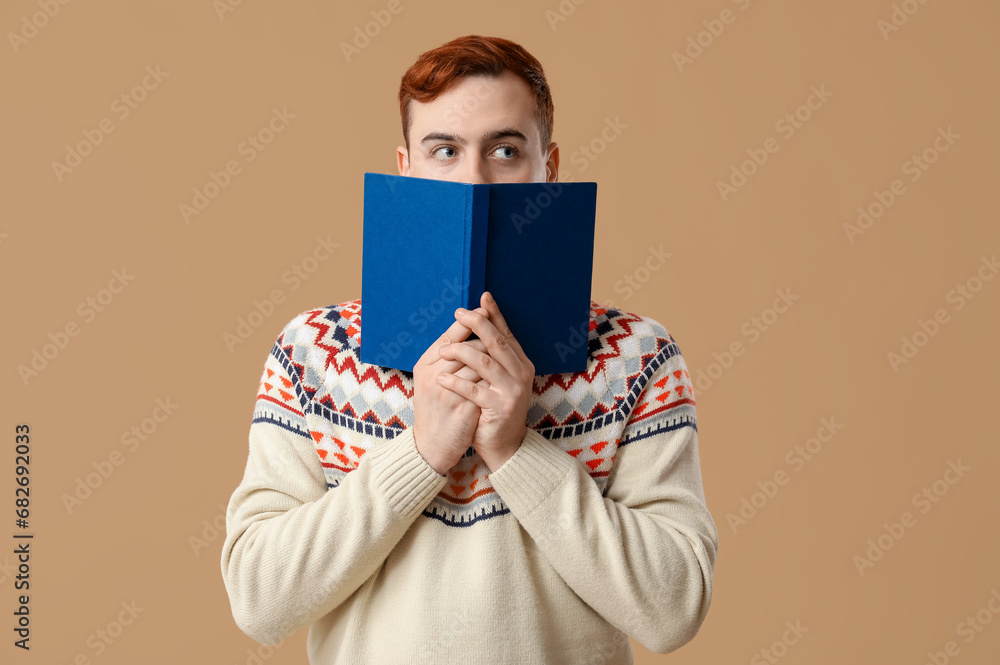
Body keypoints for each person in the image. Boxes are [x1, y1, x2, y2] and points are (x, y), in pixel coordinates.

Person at [221, 34, 719, 664]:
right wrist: (421, 452)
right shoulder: (313, 351)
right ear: (406, 168)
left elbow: (674, 609)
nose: (475, 178)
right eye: (445, 151)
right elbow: (259, 602)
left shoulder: (637, 355)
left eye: (505, 150)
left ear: (550, 168)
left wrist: (517, 450)